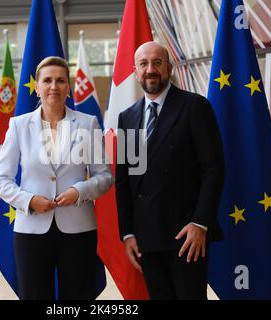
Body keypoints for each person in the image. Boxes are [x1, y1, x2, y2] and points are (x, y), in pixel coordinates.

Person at [0, 56, 113, 300]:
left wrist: (80, 191)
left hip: (78, 228)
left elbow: (104, 176)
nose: (53, 86)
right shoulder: (18, 125)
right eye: (47, 80)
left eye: (60, 80)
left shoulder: (88, 123)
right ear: (36, 86)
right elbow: (1, 180)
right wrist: (28, 200)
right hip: (31, 230)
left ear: (68, 87)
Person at [115, 41, 225, 300]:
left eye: (157, 62)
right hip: (146, 239)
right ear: (135, 71)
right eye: (143, 64)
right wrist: (128, 233)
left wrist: (200, 223)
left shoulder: (194, 106)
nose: (150, 69)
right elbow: (124, 181)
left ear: (169, 67)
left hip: (187, 236)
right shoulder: (127, 117)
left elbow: (214, 169)